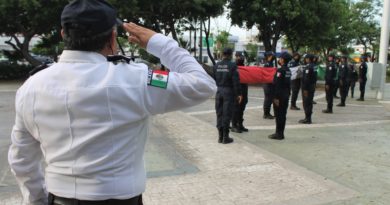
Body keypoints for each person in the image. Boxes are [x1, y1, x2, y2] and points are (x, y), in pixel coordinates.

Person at [8, 1, 217, 204]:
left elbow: (22, 160)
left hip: (59, 198)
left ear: (63, 35)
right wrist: (159, 43)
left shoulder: (31, 87)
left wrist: (36, 200)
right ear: (113, 37)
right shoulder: (138, 79)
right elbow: (202, 84)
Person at [214, 48, 242, 143]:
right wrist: (239, 94)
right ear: (231, 55)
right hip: (229, 92)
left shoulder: (217, 65)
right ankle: (226, 137)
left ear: (222, 54)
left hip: (219, 91)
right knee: (227, 114)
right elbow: (236, 81)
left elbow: (214, 78)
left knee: (219, 114)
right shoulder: (232, 65)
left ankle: (220, 136)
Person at [269, 52, 292, 140]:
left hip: (280, 96)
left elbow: (277, 85)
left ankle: (278, 134)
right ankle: (280, 133)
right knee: (283, 115)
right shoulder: (288, 70)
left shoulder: (280, 70)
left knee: (279, 115)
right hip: (285, 95)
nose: (279, 60)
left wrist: (275, 97)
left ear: (282, 60)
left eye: (280, 58)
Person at [231, 53, 249, 133]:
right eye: (238, 57)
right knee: (236, 108)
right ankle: (234, 125)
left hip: (244, 90)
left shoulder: (245, 68)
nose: (240, 58)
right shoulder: (233, 67)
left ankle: (240, 124)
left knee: (242, 108)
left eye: (241, 57)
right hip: (236, 91)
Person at [299, 54, 316, 124]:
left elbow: (306, 79)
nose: (305, 60)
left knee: (306, 103)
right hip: (311, 87)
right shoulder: (314, 66)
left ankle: (308, 118)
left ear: (308, 59)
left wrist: (305, 89)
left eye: (306, 58)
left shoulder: (308, 67)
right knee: (309, 102)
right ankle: (307, 118)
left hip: (307, 88)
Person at [262, 51, 276, 119]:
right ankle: (266, 114)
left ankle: (267, 113)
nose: (273, 57)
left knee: (269, 99)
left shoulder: (269, 63)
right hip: (267, 83)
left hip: (269, 83)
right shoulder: (267, 64)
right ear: (269, 56)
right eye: (271, 56)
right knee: (268, 99)